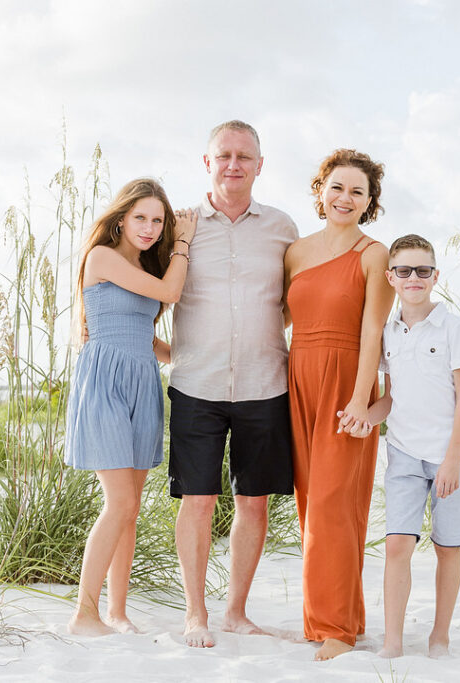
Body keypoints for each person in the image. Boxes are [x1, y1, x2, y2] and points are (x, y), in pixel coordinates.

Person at [168, 120, 299, 648]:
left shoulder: (283, 228)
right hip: (195, 383)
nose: (233, 164)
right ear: (207, 162)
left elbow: (295, 302)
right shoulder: (181, 226)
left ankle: (237, 612)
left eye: (245, 156)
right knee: (197, 500)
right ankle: (195, 614)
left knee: (254, 502)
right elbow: (156, 293)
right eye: (223, 155)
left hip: (265, 383)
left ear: (260, 165)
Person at [64, 177, 198, 637]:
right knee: (118, 502)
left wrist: (191, 353)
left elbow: (150, 338)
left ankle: (116, 612)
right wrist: (182, 242)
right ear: (121, 218)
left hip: (143, 383)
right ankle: (84, 613)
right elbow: (171, 294)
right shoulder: (102, 258)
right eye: (141, 217)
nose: (150, 227)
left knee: (131, 507)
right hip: (105, 383)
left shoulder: (144, 266)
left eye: (159, 221)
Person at [284, 148, 395, 660]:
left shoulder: (375, 254)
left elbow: (373, 330)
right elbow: (278, 320)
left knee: (334, 505)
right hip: (298, 378)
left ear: (370, 202)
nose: (345, 198)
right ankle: (338, 618)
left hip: (346, 381)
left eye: (357, 191)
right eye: (337, 187)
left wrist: (358, 399)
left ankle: (335, 629)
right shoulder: (296, 252)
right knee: (314, 506)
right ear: (319, 191)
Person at [347, 233, 460, 659]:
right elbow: (392, 396)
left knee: (446, 546)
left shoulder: (454, 327)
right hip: (403, 453)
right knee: (397, 545)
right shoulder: (388, 333)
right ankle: (392, 643)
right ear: (391, 277)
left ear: (435, 275)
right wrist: (366, 416)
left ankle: (439, 637)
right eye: (404, 270)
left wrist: (452, 460)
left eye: (423, 270)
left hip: (451, 456)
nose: (413, 278)